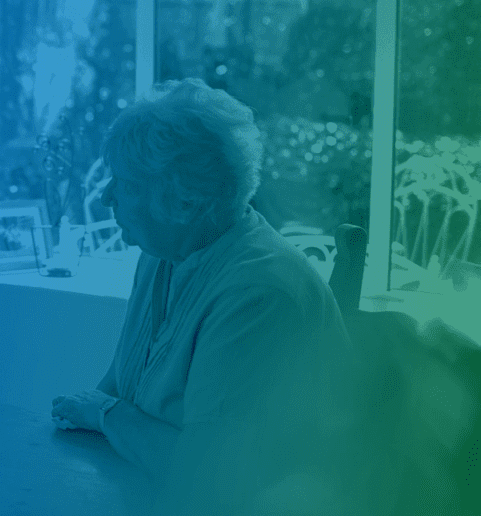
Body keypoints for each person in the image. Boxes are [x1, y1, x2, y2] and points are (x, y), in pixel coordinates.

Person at [50, 79, 378, 514]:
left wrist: (106, 415)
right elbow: (120, 384)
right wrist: (92, 419)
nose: (106, 196)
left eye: (126, 184)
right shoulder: (164, 251)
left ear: (184, 202)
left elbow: (210, 476)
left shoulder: (258, 293)